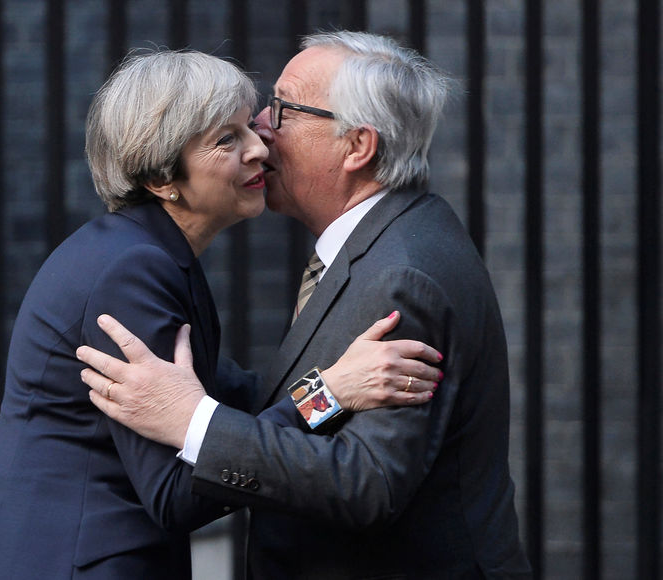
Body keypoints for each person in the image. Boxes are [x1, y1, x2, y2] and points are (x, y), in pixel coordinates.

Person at [0, 49, 442, 580]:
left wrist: (333, 385)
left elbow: (225, 396)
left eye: (250, 124)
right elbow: (176, 496)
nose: (258, 147)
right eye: (226, 140)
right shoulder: (130, 273)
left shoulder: (143, 253)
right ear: (160, 177)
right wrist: (328, 395)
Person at [78, 31, 532, 578]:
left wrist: (195, 421)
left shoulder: (401, 277)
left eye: (282, 109)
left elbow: (367, 482)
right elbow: (312, 401)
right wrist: (324, 391)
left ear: (357, 146)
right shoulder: (381, 241)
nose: (261, 128)